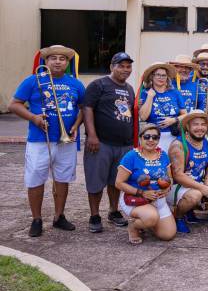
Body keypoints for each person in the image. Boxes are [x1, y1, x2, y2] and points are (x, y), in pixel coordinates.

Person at [10, 44, 85, 237]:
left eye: (62, 58)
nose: (58, 61)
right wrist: (33, 118)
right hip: (39, 140)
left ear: (67, 62)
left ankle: (59, 216)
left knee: (63, 178)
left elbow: (84, 108)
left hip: (66, 140)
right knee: (36, 178)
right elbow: (14, 104)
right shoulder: (33, 80)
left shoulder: (76, 83)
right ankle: (36, 219)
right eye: (53, 58)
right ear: (46, 61)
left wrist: (76, 126)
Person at [82, 52, 135, 233]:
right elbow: (87, 108)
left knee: (115, 181)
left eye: (128, 66)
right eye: (121, 66)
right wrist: (91, 135)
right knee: (96, 181)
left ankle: (113, 211)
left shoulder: (129, 89)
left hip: (124, 145)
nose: (125, 70)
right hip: (101, 142)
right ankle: (94, 215)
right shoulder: (99, 84)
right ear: (112, 67)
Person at [115, 123, 176, 244]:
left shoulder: (163, 155)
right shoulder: (131, 156)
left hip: (158, 200)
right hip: (136, 199)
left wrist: (167, 188)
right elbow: (118, 183)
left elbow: (170, 178)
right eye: (147, 136)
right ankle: (134, 226)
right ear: (140, 138)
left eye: (155, 137)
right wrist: (142, 193)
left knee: (168, 235)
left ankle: (148, 223)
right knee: (151, 217)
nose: (151, 140)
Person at [167, 111, 208, 233]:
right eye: (195, 124)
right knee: (195, 195)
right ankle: (178, 216)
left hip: (197, 184)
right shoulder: (178, 145)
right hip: (177, 186)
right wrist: (202, 188)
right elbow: (178, 175)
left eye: (203, 124)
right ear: (187, 126)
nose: (200, 128)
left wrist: (207, 185)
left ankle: (189, 210)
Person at [138, 62, 186, 152]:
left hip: (174, 136)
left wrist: (173, 120)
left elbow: (185, 115)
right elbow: (143, 117)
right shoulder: (145, 93)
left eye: (164, 75)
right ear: (152, 76)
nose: (161, 78)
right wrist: (150, 97)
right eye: (158, 75)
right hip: (152, 138)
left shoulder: (175, 93)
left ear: (167, 77)